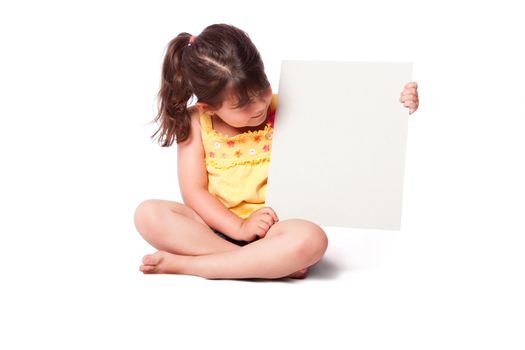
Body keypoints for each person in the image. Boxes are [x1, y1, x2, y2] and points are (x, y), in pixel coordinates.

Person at [133, 24, 419, 280]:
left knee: (311, 239)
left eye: (262, 89)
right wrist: (239, 227)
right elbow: (194, 193)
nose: (258, 106)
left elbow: (349, 121)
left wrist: (396, 104)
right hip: (216, 230)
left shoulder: (287, 107)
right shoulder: (197, 121)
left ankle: (194, 266)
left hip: (277, 232)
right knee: (148, 214)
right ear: (210, 107)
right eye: (241, 105)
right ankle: (256, 264)